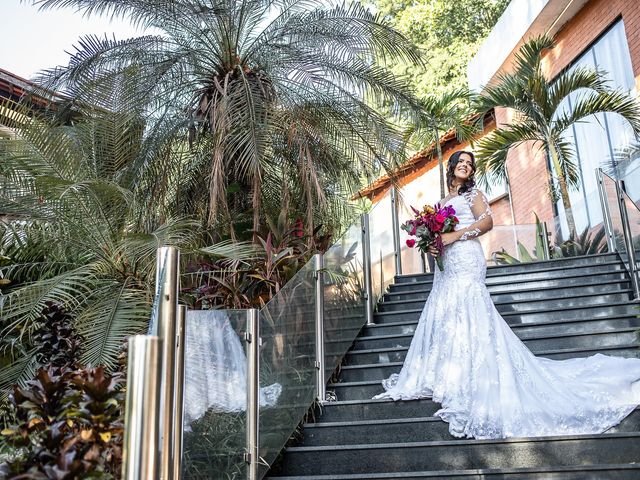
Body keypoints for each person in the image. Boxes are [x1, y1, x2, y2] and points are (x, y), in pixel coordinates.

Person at [373, 150, 640, 439]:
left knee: (469, 304)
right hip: (446, 265)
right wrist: (435, 245)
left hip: (466, 258)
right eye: (460, 162)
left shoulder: (472, 194)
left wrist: (454, 236)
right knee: (446, 309)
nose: (465, 166)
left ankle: (474, 371)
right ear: (450, 168)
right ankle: (448, 373)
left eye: (469, 164)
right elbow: (436, 235)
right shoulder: (440, 202)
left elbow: (487, 223)